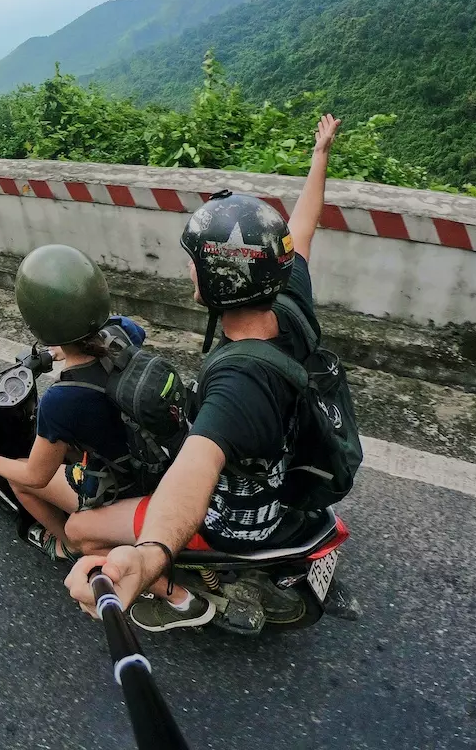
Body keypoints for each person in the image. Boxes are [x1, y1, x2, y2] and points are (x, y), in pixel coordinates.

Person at [64, 113, 343, 631]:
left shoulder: (239, 384)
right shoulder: (289, 296)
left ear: (222, 277)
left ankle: (174, 596)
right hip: (283, 468)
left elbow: (194, 471)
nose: (189, 268)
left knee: (81, 527)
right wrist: (320, 154)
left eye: (196, 261)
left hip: (240, 520)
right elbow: (302, 223)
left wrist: (148, 556)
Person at [0, 244, 147, 562]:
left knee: (20, 479)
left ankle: (66, 545)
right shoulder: (124, 333)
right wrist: (67, 346)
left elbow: (36, 476)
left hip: (122, 485)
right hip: (144, 452)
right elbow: (119, 328)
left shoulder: (61, 401)